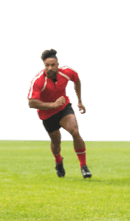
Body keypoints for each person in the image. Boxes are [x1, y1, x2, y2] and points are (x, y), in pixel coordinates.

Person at [27, 49, 91, 178]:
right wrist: (53, 105)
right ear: (44, 66)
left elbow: (77, 80)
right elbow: (31, 102)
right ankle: (58, 161)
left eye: (53, 65)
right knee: (56, 142)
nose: (49, 68)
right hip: (47, 114)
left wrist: (79, 101)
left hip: (64, 108)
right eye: (47, 65)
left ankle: (83, 166)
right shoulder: (38, 80)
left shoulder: (67, 72)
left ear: (58, 64)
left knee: (75, 132)